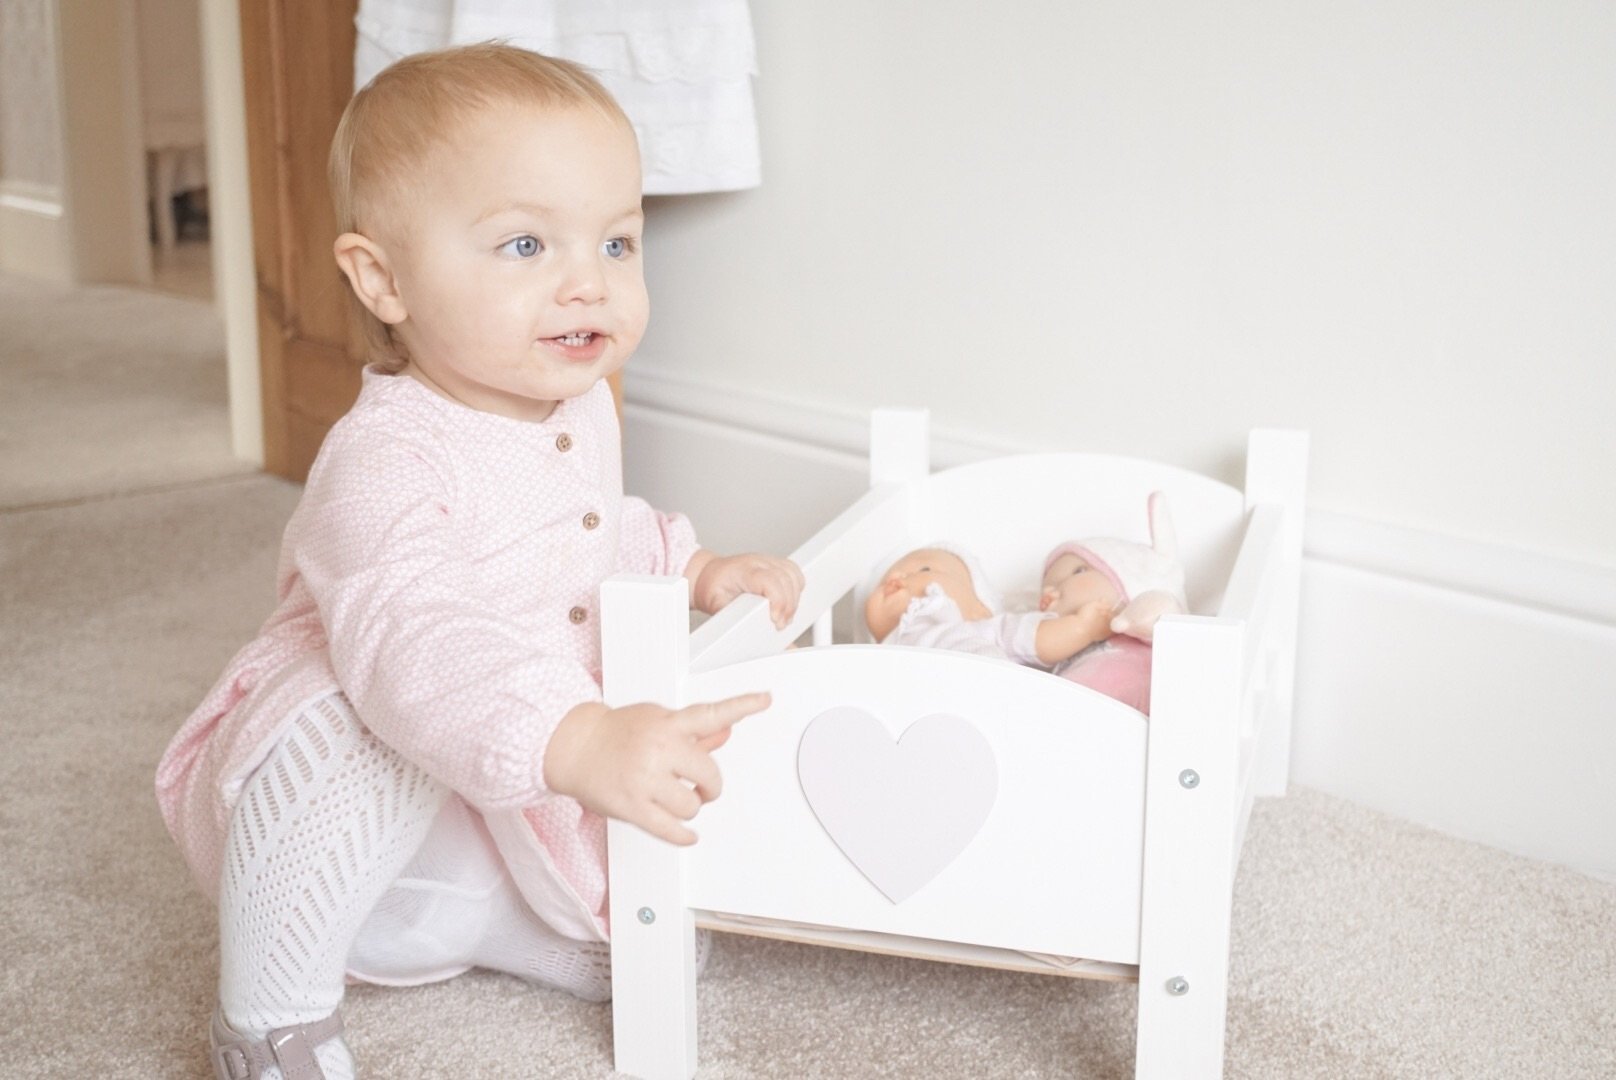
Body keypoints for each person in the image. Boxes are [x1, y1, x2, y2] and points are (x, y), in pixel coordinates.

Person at [154, 43, 803, 1080]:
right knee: (366, 720)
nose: (587, 281)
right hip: (344, 827)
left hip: (487, 789)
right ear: (384, 278)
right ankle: (268, 1016)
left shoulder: (575, 401)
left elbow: (591, 526)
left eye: (618, 242)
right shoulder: (383, 459)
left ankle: (503, 919)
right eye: (523, 245)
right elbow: (416, 638)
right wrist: (573, 735)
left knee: (584, 803)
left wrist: (690, 567)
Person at [1038, 491, 1187, 713]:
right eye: (1046, 587)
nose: (1052, 590)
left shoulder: (1140, 634)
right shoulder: (1061, 653)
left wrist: (1144, 612)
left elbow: (1165, 618)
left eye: (1077, 571)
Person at [863, 544, 1113, 665]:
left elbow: (1037, 639)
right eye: (889, 576)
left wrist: (1083, 627)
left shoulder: (981, 628)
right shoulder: (869, 656)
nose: (897, 577)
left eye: (924, 569)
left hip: (982, 697)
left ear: (977, 608)